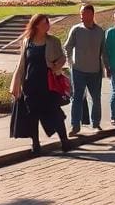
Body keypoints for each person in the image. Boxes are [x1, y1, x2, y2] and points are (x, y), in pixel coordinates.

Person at [9, 13, 71, 155]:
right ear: (36, 25)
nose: (47, 25)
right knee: (33, 116)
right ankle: (36, 145)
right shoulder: (27, 41)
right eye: (44, 23)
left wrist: (57, 67)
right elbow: (22, 64)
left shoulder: (53, 41)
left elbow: (62, 58)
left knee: (55, 113)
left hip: (49, 85)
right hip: (30, 85)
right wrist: (16, 83)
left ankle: (65, 141)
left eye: (48, 23)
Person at [63, 3, 108, 135]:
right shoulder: (76, 29)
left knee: (96, 98)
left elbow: (103, 51)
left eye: (85, 13)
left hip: (95, 72)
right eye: (81, 13)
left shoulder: (100, 31)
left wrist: (106, 67)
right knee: (77, 98)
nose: (82, 16)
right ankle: (75, 125)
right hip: (78, 71)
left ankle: (96, 123)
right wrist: (70, 62)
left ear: (92, 14)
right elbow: (67, 46)